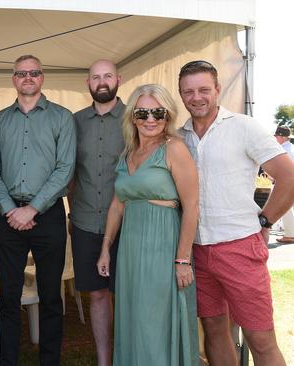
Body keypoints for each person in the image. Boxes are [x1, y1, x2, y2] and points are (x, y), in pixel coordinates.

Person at [178, 60, 294, 366]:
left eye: (204, 89)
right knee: (214, 332)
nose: (196, 97)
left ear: (217, 90)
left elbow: (289, 177)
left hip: (240, 248)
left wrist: (266, 220)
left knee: (260, 338)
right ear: (181, 95)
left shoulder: (244, 127)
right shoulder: (178, 137)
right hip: (197, 252)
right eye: (188, 91)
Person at [97, 84, 200, 365]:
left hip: (163, 246)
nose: (151, 119)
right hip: (130, 248)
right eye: (143, 112)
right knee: (132, 316)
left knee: (154, 320)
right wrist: (106, 248)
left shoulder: (174, 149)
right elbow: (117, 206)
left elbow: (191, 206)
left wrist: (182, 260)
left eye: (158, 112)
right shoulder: (127, 155)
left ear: (168, 115)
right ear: (132, 116)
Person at [0, 55, 76, 365]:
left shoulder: (62, 118)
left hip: (49, 215)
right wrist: (11, 209)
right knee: (9, 297)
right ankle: (8, 360)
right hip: (8, 215)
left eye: (34, 72)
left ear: (42, 77)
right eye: (21, 73)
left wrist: (34, 208)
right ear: (13, 79)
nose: (28, 77)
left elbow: (65, 169)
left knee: (52, 296)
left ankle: (49, 361)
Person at [68, 59, 124, 366]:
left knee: (127, 295)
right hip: (86, 221)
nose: (101, 82)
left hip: (129, 223)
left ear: (119, 79)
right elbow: (69, 171)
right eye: (95, 77)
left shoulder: (136, 118)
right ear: (88, 83)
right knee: (98, 295)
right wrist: (70, 214)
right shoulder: (74, 122)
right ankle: (104, 361)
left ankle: (128, 355)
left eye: (107, 76)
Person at [274, 125, 294, 244]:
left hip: (288, 181)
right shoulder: (291, 148)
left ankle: (291, 235)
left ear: (282, 136)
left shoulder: (283, 150)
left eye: (276, 136)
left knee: (285, 208)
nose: (275, 138)